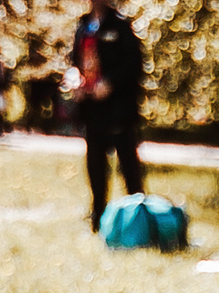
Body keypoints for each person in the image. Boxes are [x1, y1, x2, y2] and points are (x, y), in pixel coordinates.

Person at [72, 0, 146, 229]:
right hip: (92, 109)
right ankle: (99, 218)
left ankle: (139, 217)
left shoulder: (121, 26)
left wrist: (110, 83)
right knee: (95, 164)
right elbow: (76, 60)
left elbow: (135, 64)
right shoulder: (83, 25)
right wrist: (75, 79)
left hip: (118, 110)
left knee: (128, 166)